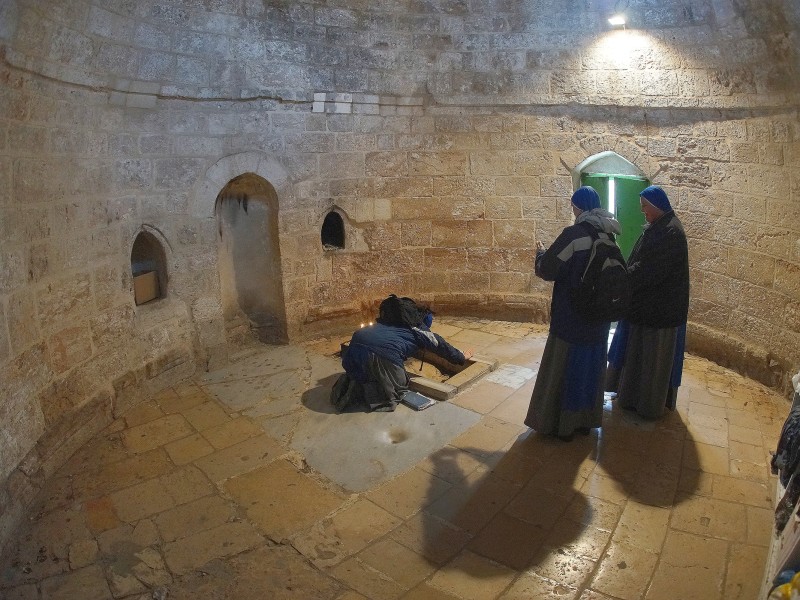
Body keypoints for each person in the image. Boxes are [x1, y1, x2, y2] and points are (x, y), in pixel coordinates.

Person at [524, 186, 621, 441]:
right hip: (598, 321)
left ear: (578, 207)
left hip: (572, 319)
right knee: (590, 371)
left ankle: (563, 425)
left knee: (566, 370)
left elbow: (547, 269)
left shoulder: (574, 235)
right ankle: (586, 421)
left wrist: (540, 253)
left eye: (573, 206)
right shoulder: (609, 234)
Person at [606, 185, 689, 419]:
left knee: (652, 362)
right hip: (648, 307)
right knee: (640, 357)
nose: (643, 211)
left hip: (659, 310)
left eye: (645, 207)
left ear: (656, 206)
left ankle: (647, 405)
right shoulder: (661, 226)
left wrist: (623, 276)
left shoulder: (670, 232)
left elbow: (651, 270)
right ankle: (632, 398)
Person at [331, 300, 473, 412]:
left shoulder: (393, 320)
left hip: (355, 346)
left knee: (370, 371)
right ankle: (366, 391)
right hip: (381, 353)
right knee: (399, 386)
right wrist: (461, 356)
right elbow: (439, 345)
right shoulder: (417, 327)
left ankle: (357, 381)